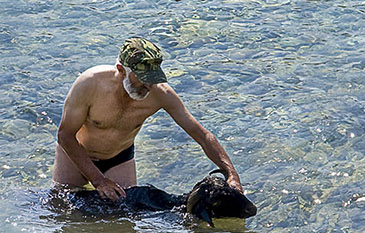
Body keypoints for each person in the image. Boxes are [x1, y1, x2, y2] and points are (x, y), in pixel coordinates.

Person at [53, 37, 245, 203]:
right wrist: (98, 180)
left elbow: (202, 136)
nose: (148, 85)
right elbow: (65, 135)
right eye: (142, 78)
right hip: (77, 154)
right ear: (121, 70)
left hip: (118, 158)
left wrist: (232, 174)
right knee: (60, 209)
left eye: (152, 78)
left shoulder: (160, 93)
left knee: (123, 220)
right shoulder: (90, 84)